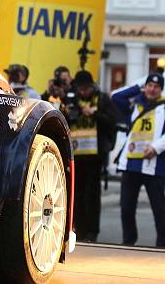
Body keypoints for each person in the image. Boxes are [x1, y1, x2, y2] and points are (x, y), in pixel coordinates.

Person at [112, 73, 165, 248]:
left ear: (161, 89)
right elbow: (116, 97)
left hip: (154, 164)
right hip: (131, 164)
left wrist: (156, 147)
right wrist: (137, 87)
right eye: (149, 85)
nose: (152, 89)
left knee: (158, 208)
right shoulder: (133, 104)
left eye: (156, 87)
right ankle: (129, 241)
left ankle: (164, 244)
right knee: (126, 207)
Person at [63, 70, 118, 242]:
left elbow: (112, 123)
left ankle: (92, 231)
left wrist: (94, 113)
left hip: (95, 156)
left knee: (92, 196)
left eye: (86, 89)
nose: (83, 92)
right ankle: (79, 229)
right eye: (81, 89)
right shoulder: (73, 100)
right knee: (77, 195)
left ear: (92, 86)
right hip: (76, 154)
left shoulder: (102, 99)